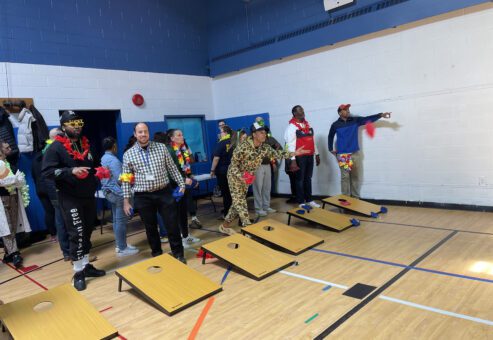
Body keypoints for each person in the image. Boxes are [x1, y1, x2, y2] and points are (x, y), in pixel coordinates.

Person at [42, 111, 106, 291]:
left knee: (87, 231)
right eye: (72, 123)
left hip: (88, 196)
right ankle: (78, 272)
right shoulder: (55, 147)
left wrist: (99, 172)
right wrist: (70, 171)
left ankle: (86, 266)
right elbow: (46, 172)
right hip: (70, 198)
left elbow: (90, 167)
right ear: (64, 127)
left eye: (78, 123)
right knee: (76, 233)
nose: (76, 126)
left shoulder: (84, 144)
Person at [219, 122, 309, 235]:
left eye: (265, 132)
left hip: (247, 177)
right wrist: (240, 176)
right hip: (235, 176)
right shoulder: (243, 147)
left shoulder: (264, 147)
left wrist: (294, 153)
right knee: (241, 202)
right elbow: (233, 165)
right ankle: (249, 230)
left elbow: (278, 154)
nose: (264, 134)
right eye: (261, 132)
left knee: (237, 204)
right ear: (254, 134)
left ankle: (224, 226)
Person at [122, 123, 186, 263]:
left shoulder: (161, 148)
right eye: (140, 132)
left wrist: (181, 184)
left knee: (172, 224)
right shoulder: (128, 154)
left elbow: (172, 168)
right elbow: (126, 179)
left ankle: (178, 254)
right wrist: (126, 201)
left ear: (148, 133)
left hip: (164, 192)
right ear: (135, 134)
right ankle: (157, 255)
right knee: (150, 228)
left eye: (145, 131)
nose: (143, 134)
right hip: (143, 196)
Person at [328, 104, 391, 198]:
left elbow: (367, 119)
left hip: (354, 154)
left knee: (355, 177)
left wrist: (380, 115)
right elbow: (330, 136)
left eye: (348, 109)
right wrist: (330, 148)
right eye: (345, 110)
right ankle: (345, 199)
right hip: (343, 155)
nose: (348, 111)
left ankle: (355, 198)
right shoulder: (335, 125)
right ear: (340, 112)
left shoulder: (355, 120)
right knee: (345, 178)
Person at [31, 128, 70, 260]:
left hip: (45, 189)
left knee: (56, 217)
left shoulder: (41, 153)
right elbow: (52, 173)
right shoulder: (54, 149)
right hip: (54, 189)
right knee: (63, 219)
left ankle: (65, 249)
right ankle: (68, 251)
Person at [101, 137, 139, 257]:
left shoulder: (104, 158)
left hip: (109, 192)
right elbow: (120, 179)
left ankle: (120, 245)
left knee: (117, 220)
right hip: (118, 194)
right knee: (121, 221)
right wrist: (133, 177)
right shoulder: (113, 160)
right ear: (114, 146)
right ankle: (123, 248)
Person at [166, 129, 201, 248]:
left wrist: (190, 176)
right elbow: (170, 171)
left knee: (183, 212)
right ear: (172, 138)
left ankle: (186, 236)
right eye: (179, 135)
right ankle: (180, 238)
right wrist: (183, 179)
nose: (182, 137)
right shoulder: (170, 151)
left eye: (182, 134)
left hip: (184, 184)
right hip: (174, 187)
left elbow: (185, 168)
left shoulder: (183, 149)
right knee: (176, 213)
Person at [284, 105, 321, 208]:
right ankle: (301, 202)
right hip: (299, 157)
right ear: (295, 113)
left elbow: (311, 140)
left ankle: (309, 200)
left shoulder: (307, 125)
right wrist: (293, 160)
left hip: (309, 156)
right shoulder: (291, 127)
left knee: (308, 178)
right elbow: (289, 145)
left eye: (303, 110)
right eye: (300, 110)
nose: (303, 112)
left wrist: (316, 154)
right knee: (299, 179)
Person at [0, 147, 29, 268]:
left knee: (12, 224)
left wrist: (15, 180)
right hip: (2, 198)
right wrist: (13, 180)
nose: (7, 150)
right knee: (6, 226)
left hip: (13, 196)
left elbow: (20, 179)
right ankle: (15, 253)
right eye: (4, 149)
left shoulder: (10, 165)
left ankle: (8, 252)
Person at [252, 117, 281, 217]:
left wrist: (273, 162)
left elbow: (278, 148)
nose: (263, 133)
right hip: (257, 165)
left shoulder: (269, 138)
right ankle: (258, 209)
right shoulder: (253, 137)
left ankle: (266, 206)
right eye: (258, 121)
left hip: (267, 164)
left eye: (264, 132)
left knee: (267, 187)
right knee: (258, 188)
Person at [210, 125, 234, 219]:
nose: (219, 134)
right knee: (232, 193)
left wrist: (212, 170)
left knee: (226, 194)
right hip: (232, 171)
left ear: (225, 133)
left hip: (223, 172)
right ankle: (233, 213)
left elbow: (216, 158)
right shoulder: (233, 142)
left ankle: (227, 214)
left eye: (221, 132)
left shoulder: (222, 143)